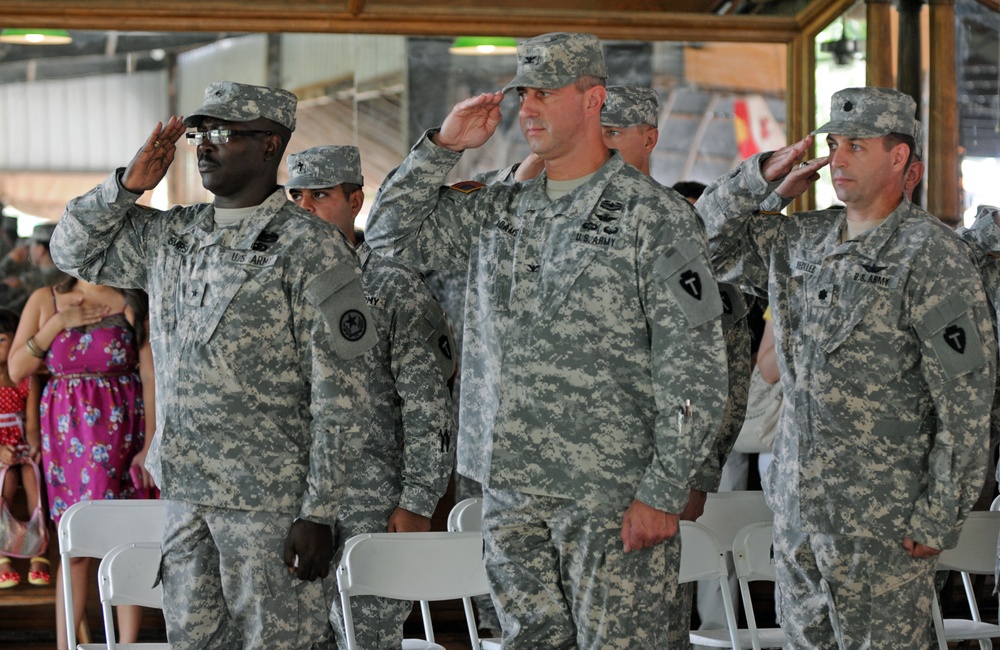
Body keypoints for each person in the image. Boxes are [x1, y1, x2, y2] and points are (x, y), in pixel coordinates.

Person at [365, 32, 729, 648]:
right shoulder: (501, 208)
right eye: (523, 93)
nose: (527, 108)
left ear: (593, 100)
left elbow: (694, 363)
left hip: (610, 494)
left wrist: (665, 488)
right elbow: (389, 237)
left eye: (546, 94)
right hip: (510, 489)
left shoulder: (653, 216)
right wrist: (444, 146)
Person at [49, 81, 376, 650]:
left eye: (224, 133)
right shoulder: (175, 233)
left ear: (270, 145)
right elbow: (71, 250)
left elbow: (341, 391)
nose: (204, 146)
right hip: (185, 494)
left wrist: (320, 511)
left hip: (270, 503)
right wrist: (128, 185)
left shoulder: (311, 247)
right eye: (200, 133)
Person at [698, 86, 996, 647]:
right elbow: (703, 245)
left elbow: (965, 400)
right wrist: (761, 179)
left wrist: (938, 516)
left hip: (884, 522)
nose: (838, 158)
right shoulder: (802, 241)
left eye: (856, 145)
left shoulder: (933, 256)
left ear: (899, 156)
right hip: (800, 515)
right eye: (834, 143)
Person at [285, 145, 457, 649]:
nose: (305, 207)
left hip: (370, 503)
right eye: (295, 195)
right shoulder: (273, 284)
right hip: (288, 500)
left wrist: (419, 500)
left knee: (368, 638)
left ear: (355, 199)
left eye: (321, 195)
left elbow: (429, 404)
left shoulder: (392, 287)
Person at [601, 83, 753, 647]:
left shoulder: (676, 227)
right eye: (599, 132)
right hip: (570, 477)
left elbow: (723, 363)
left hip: (657, 477)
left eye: (617, 133)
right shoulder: (558, 221)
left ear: (650, 138)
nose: (606, 145)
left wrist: (702, 469)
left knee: (656, 626)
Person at [8, 277, 154, 649]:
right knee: (74, 550)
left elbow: (151, 375)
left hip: (124, 433)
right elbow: (16, 370)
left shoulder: (131, 299)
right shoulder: (46, 299)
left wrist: (151, 442)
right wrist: (59, 323)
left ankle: (127, 644)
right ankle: (66, 645)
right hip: (67, 439)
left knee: (127, 545)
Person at [0, 307, 45, 589]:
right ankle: (3, 552)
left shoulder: (27, 379)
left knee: (32, 478)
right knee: (9, 478)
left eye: (1, 339)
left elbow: (31, 424)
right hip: (1, 454)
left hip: (21, 449)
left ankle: (39, 548)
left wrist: (34, 446)